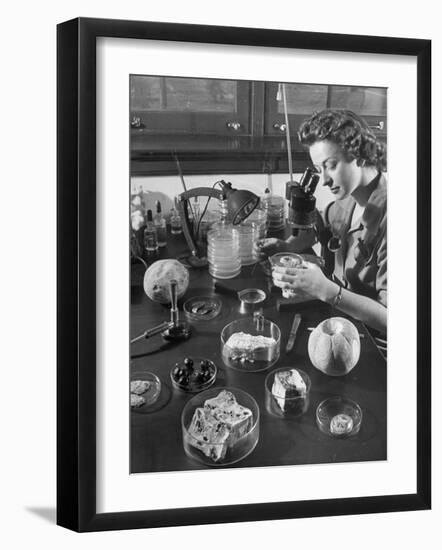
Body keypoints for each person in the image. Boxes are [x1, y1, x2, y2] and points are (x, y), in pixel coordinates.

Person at [258, 109, 387, 341]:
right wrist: (286, 246)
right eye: (319, 169)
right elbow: (319, 234)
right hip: (337, 321)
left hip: (375, 345)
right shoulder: (345, 201)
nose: (325, 180)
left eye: (331, 165)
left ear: (359, 154)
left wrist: (326, 290)